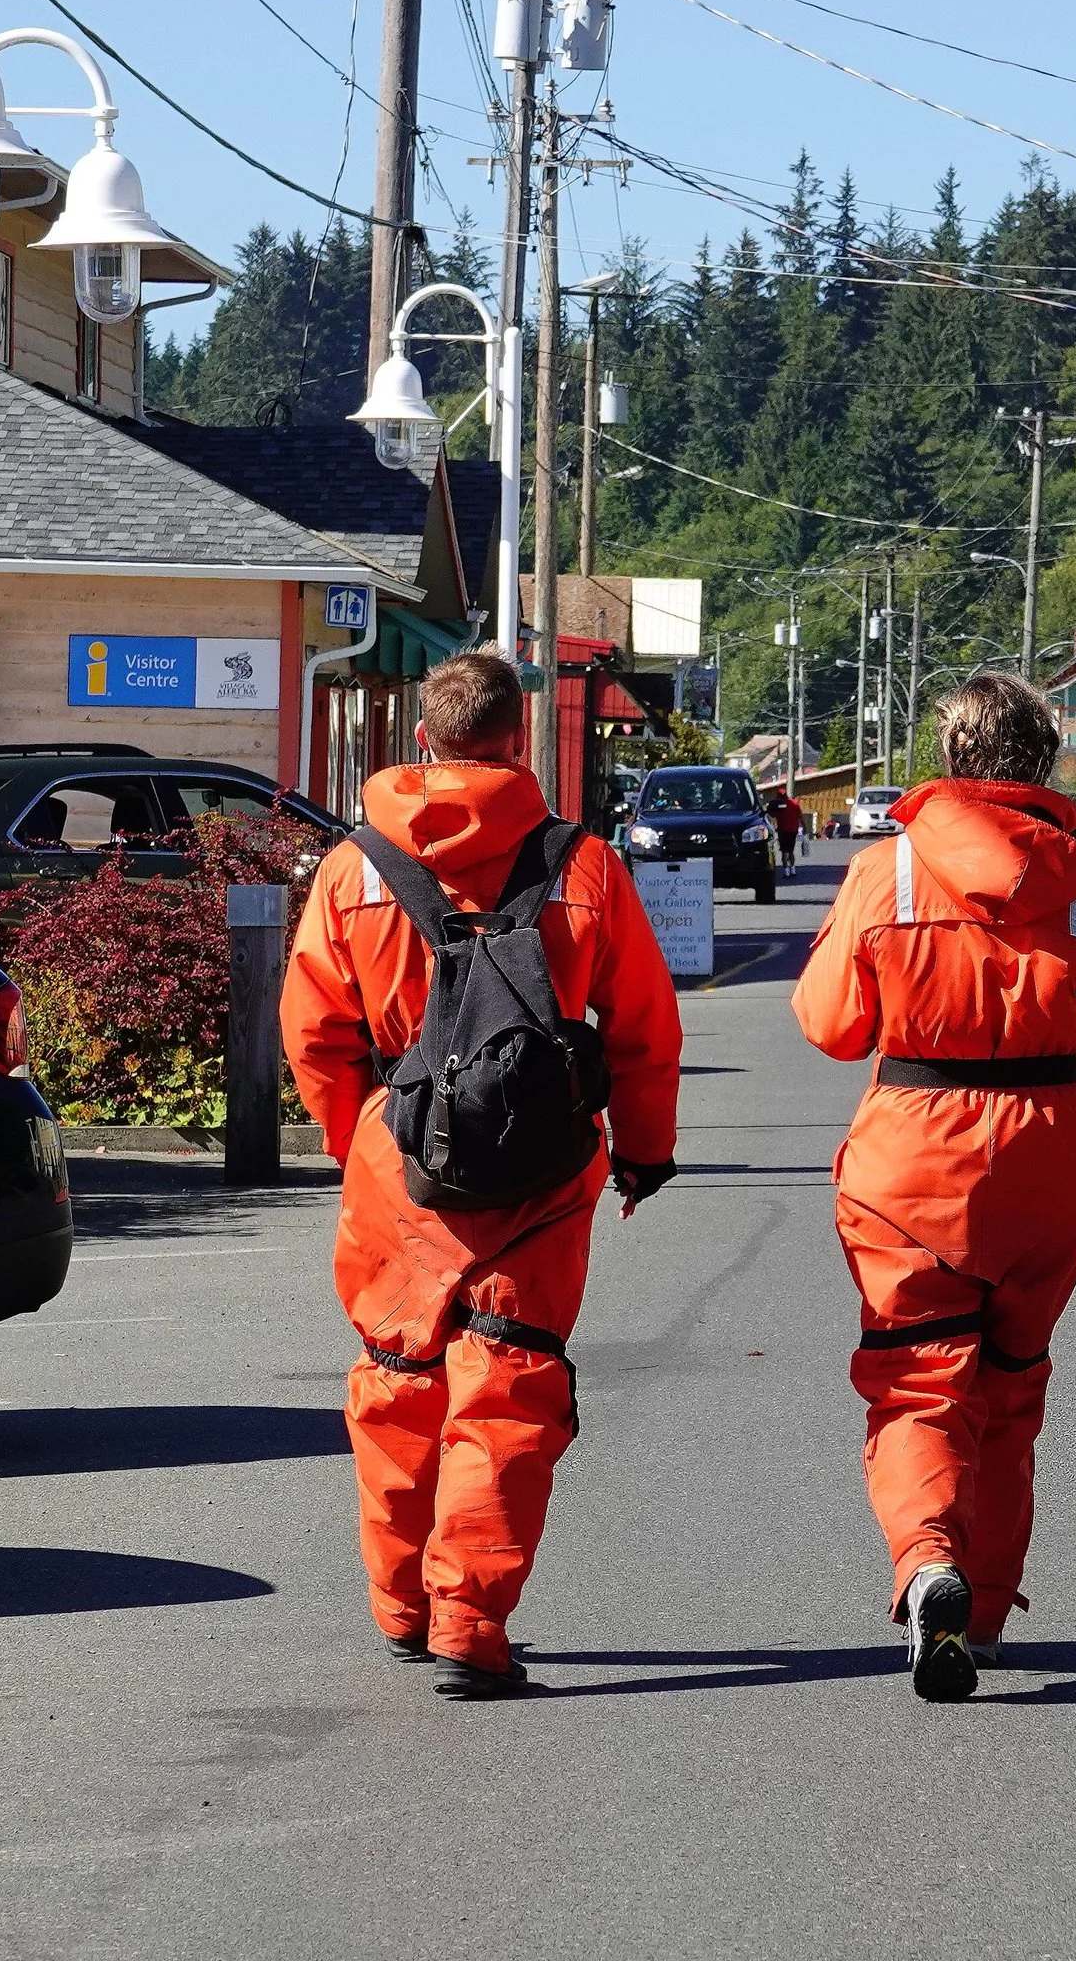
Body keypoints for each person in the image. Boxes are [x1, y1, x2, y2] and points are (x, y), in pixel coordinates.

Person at [281, 651, 683, 1696]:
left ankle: (403, 1605)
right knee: (506, 1388)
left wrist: (360, 1142)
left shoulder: (355, 868)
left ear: (423, 739)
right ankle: (469, 1620)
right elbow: (639, 1026)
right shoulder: (581, 864)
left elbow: (315, 1031)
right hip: (538, 1167)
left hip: (396, 1155)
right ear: (519, 741)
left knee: (397, 1383)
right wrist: (642, 1148)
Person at [790, 671, 1076, 1700]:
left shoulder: (885, 873)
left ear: (947, 761)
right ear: (1040, 764)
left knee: (917, 1381)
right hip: (1043, 1157)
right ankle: (983, 1611)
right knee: (1010, 1381)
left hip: (911, 1162)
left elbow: (828, 1027)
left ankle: (928, 1562)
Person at [768, 784, 802, 874]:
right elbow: (800, 816)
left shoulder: (779, 805)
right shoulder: (794, 803)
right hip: (793, 830)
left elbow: (772, 815)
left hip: (783, 830)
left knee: (784, 851)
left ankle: (786, 871)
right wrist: (804, 827)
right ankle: (793, 869)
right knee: (791, 850)